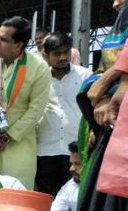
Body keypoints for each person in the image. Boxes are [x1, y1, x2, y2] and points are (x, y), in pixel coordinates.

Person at [75, 0, 128, 211]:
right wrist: (103, 97)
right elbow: (97, 78)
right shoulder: (119, 24)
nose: (115, 3)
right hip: (114, 127)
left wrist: (115, 80)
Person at [0, 16, 51, 189]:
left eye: (4, 39)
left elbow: (36, 109)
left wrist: (10, 135)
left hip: (19, 145)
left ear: (19, 45)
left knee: (17, 196)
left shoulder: (38, 67)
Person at [36, 32, 92, 196]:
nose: (63, 57)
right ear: (45, 55)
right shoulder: (39, 78)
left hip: (76, 149)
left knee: (76, 196)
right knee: (48, 198)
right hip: (45, 148)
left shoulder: (85, 76)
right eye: (57, 54)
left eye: (66, 52)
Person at [50, 142, 82, 211]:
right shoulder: (70, 185)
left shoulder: (105, 187)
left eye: (77, 164)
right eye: (71, 164)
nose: (71, 168)